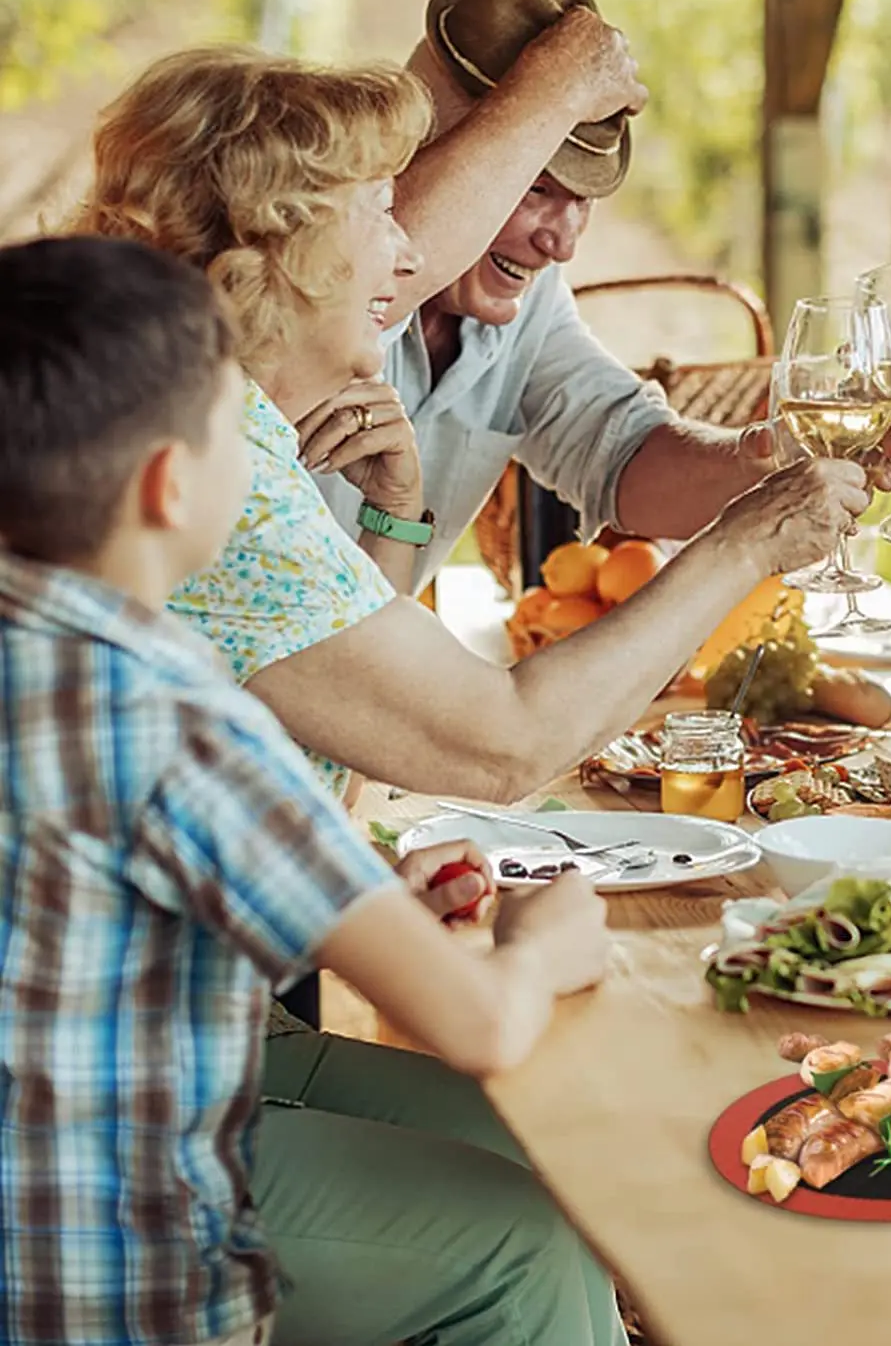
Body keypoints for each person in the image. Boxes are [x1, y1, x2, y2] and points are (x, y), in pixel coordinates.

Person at [0, 235, 628, 1346]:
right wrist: (544, 945)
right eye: (243, 426)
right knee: (522, 1242)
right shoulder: (175, 710)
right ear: (170, 483)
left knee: (547, 1152)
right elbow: (477, 1023)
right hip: (112, 1265)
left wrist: (365, 885)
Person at [75, 46, 867, 807]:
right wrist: (745, 544)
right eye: (383, 211)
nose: (406, 251)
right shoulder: (227, 477)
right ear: (287, 246)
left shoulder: (211, 421)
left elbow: (334, 755)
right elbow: (503, 746)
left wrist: (391, 521)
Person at [306, 0, 784, 592]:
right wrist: (554, 87)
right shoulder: (309, 277)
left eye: (581, 201)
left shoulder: (528, 304)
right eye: (534, 187)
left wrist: (800, 455)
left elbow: (622, 454)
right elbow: (374, 279)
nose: (562, 244)